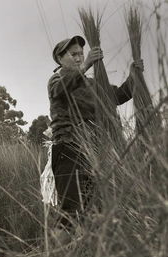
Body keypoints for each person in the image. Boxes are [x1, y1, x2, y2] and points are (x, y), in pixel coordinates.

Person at [47, 35, 144, 235]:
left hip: (90, 153)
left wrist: (134, 76)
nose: (79, 58)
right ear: (59, 58)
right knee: (70, 212)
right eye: (73, 54)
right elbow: (60, 89)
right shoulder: (57, 80)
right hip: (67, 149)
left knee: (90, 210)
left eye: (81, 54)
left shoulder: (91, 84)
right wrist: (87, 65)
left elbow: (116, 96)